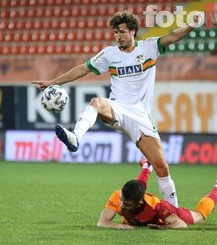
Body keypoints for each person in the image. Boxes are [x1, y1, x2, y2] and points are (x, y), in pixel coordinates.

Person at [32, 11, 200, 206]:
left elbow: (171, 37)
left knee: (162, 167)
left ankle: (174, 210)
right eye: (115, 32)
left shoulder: (149, 47)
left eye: (121, 32)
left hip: (140, 116)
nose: (117, 36)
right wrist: (53, 82)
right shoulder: (109, 54)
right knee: (97, 102)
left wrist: (191, 26)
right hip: (117, 107)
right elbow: (83, 69)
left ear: (132, 31)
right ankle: (75, 137)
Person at [97, 159, 217, 230]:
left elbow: (181, 224)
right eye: (122, 200)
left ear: (139, 203)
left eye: (126, 204)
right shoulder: (118, 195)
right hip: (141, 204)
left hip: (165, 211)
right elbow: (102, 222)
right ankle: (147, 165)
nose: (121, 205)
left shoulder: (157, 207)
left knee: (200, 216)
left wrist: (163, 227)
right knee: (137, 189)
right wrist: (116, 226)